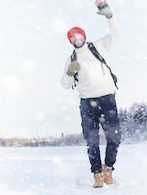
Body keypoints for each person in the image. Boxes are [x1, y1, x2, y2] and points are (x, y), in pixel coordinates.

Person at [60, 0, 121, 188]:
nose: (76, 39)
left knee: (114, 137)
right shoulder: (71, 59)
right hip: (87, 102)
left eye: (79, 35)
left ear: (83, 36)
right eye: (73, 37)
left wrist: (107, 13)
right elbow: (64, 84)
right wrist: (70, 72)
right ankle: (97, 175)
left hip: (107, 98)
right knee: (92, 140)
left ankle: (108, 168)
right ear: (70, 40)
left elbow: (115, 33)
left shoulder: (98, 47)